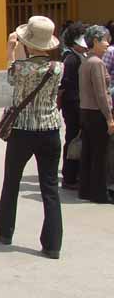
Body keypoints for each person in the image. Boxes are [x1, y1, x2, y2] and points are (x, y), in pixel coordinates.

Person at [0, 16, 64, 259]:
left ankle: (4, 231)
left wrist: (11, 50)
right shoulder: (58, 68)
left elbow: (11, 77)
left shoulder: (21, 68)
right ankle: (52, 245)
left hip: (22, 131)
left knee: (11, 181)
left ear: (27, 42)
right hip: (50, 130)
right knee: (50, 188)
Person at [78, 24, 114, 204]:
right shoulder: (97, 63)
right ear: (95, 41)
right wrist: (109, 118)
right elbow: (101, 94)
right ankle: (99, 193)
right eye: (104, 40)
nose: (107, 43)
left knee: (88, 152)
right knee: (100, 154)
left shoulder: (87, 61)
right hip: (97, 113)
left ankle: (85, 189)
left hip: (86, 111)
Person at [57, 22, 87, 190]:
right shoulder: (71, 59)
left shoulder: (78, 56)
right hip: (73, 105)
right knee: (73, 139)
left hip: (76, 104)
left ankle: (74, 174)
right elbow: (64, 86)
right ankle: (69, 176)